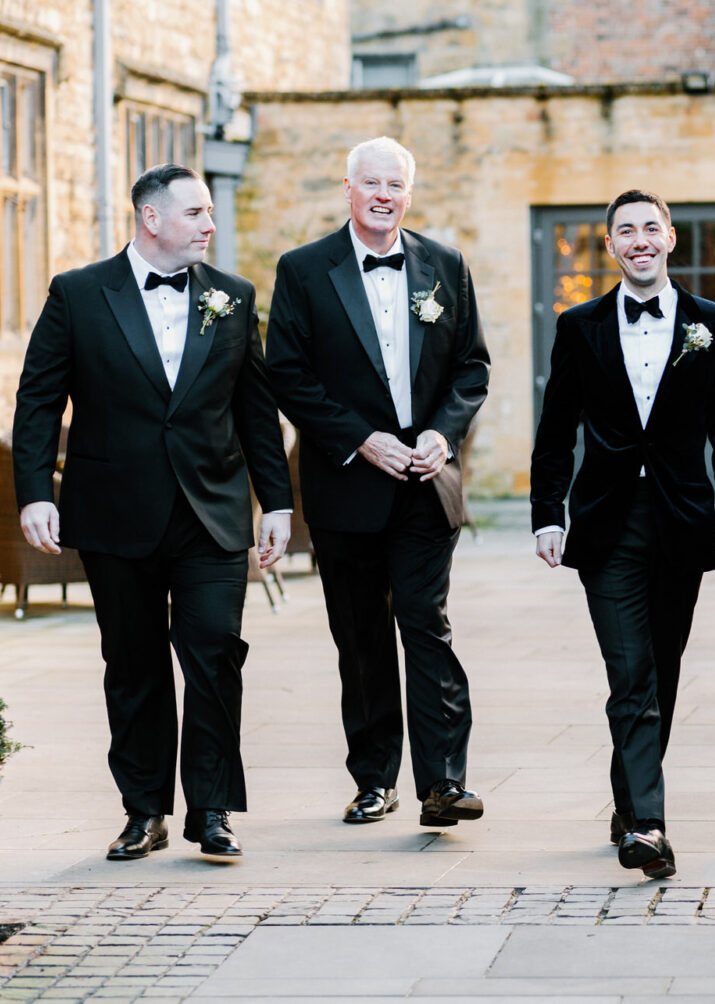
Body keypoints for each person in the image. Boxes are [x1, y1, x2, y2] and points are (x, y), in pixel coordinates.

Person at [13, 163, 292, 860]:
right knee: (133, 665)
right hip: (115, 511)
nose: (209, 224)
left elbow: (256, 410)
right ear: (151, 219)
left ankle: (213, 809)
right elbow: (39, 400)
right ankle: (143, 810)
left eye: (209, 213)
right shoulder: (78, 295)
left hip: (213, 512)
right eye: (196, 213)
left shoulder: (234, 295)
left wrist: (278, 502)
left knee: (214, 657)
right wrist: (35, 493)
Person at [264, 137, 490, 829]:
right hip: (345, 487)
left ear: (408, 193)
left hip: (425, 483)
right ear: (349, 188)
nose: (384, 195)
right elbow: (288, 374)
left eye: (396, 183)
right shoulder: (304, 270)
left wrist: (440, 435)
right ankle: (374, 779)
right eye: (372, 183)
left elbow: (471, 369)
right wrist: (361, 440)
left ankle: (444, 783)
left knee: (426, 624)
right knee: (360, 636)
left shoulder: (445, 266)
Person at [530, 190, 715, 879]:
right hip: (604, 525)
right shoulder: (579, 326)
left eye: (650, 228)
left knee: (662, 669)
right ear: (610, 246)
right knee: (630, 673)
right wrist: (547, 512)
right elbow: (555, 428)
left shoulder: (713, 323)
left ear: (670, 240)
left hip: (683, 522)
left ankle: (629, 796)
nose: (639, 240)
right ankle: (651, 827)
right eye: (625, 231)